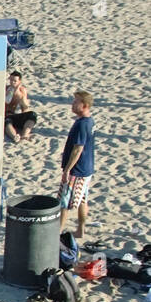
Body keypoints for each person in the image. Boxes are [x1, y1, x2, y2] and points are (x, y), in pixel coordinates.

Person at [57, 90, 95, 239]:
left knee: (64, 201)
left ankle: (58, 231)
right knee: (82, 200)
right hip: (87, 168)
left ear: (84, 105)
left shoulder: (82, 125)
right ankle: (81, 230)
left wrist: (67, 170)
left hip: (77, 170)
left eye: (76, 102)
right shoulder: (89, 121)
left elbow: (77, 149)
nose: (72, 104)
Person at [4, 70, 37, 142]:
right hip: (8, 116)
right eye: (11, 80)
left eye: (15, 81)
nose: (12, 82)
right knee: (7, 121)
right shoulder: (6, 89)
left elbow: (25, 108)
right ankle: (14, 137)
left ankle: (25, 135)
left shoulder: (22, 90)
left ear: (19, 82)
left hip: (18, 116)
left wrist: (19, 95)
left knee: (33, 114)